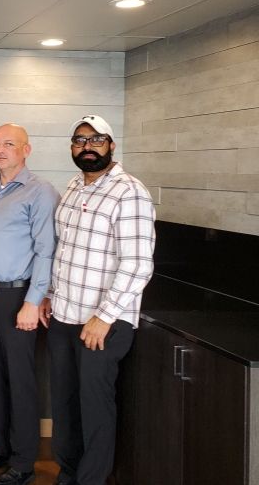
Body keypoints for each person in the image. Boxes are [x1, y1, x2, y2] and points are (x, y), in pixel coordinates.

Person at [46, 115, 156, 485]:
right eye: (79, 140)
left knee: (94, 408)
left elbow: (138, 264)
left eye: (96, 140)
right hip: (64, 315)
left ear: (111, 145)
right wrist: (50, 295)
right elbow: (65, 251)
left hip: (102, 323)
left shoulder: (130, 192)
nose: (87, 146)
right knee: (64, 404)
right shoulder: (74, 186)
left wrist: (105, 316)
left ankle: (90, 480)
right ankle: (69, 473)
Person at [0, 123, 60, 485]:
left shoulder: (41, 192)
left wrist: (34, 300)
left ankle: (23, 463)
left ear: (27, 149)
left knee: (20, 381)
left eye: (9, 144)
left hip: (18, 297)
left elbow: (46, 250)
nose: (1, 149)